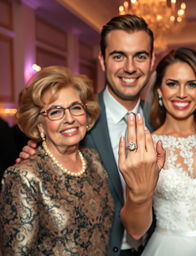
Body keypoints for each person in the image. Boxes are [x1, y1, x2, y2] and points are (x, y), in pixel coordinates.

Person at [16, 14, 158, 256]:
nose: (130, 68)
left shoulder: (161, 119)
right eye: (118, 56)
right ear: (102, 60)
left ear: (153, 60)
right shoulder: (76, 120)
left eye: (140, 56)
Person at [119, 48, 196, 256]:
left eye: (192, 84)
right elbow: (134, 229)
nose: (182, 93)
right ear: (159, 90)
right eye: (172, 84)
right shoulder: (147, 147)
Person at [0, 66, 114, 255]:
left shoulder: (93, 160)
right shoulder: (23, 177)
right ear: (39, 124)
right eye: (55, 111)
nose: (69, 118)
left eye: (76, 107)